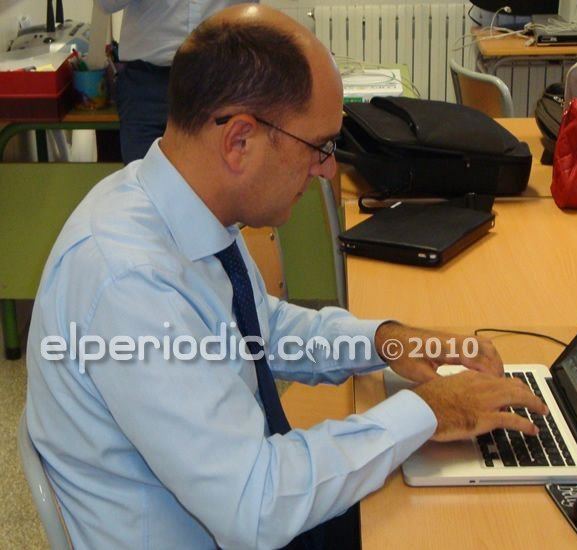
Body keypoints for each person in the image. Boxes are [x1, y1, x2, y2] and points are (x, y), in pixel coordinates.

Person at [26, 5, 548, 549]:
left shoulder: (180, 200)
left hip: (236, 500)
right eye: (319, 146)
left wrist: (385, 340)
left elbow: (259, 329)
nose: (328, 169)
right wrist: (430, 410)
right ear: (240, 141)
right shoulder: (130, 282)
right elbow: (257, 506)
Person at [95, 0, 255, 164]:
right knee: (145, 172)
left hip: (225, 81)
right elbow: (106, 4)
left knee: (226, 171)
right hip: (148, 86)